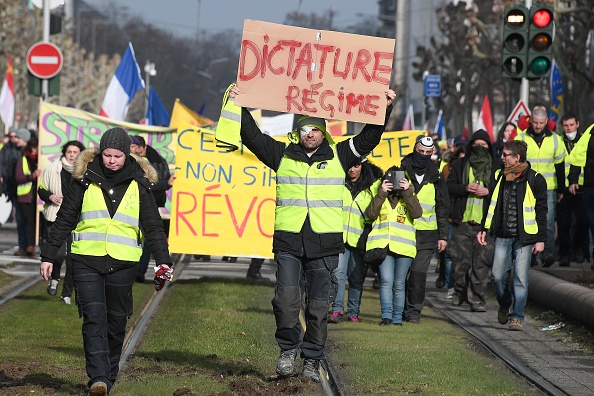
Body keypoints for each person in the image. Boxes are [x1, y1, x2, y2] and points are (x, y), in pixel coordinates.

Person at [227, 85, 395, 382]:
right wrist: (237, 105)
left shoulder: (341, 154)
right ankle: (288, 350)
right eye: (304, 129)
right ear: (298, 131)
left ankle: (311, 359)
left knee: (318, 307)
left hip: (325, 243)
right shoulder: (281, 154)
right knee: (285, 301)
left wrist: (384, 108)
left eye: (314, 129)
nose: (310, 134)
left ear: (323, 131)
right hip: (289, 242)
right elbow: (251, 137)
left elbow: (370, 137)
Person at [39, 127, 172, 396]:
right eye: (108, 155)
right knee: (93, 318)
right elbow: (65, 217)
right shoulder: (84, 179)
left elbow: (153, 226)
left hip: (123, 263)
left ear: (127, 155)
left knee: (115, 322)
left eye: (117, 156)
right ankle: (98, 378)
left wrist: (163, 261)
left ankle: (109, 373)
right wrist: (49, 255)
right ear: (101, 153)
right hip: (86, 259)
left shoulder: (140, 183)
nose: (111, 161)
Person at [477, 140, 547, 331]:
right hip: (502, 234)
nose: (502, 157)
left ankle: (517, 316)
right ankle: (504, 302)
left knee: (521, 279)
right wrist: (484, 228)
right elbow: (492, 203)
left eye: (505, 154)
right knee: (498, 276)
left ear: (517, 157)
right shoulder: (500, 176)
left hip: (525, 238)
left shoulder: (535, 179)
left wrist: (541, 239)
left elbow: (541, 211)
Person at [447, 129, 500, 312]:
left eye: (483, 145)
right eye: (476, 144)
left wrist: (488, 191)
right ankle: (459, 292)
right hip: (463, 223)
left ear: (489, 147)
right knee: (459, 261)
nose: (479, 148)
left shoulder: (496, 166)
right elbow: (449, 187)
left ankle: (477, 300)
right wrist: (464, 188)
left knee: (481, 264)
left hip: (485, 226)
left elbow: (503, 191)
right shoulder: (461, 164)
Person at [327, 157, 383, 324]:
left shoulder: (371, 187)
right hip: (340, 239)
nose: (352, 169)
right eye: (349, 165)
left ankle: (353, 312)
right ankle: (337, 310)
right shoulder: (338, 183)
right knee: (337, 275)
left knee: (356, 277)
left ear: (362, 166)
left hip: (360, 241)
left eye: (356, 165)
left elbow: (374, 212)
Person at [365, 166, 423, 326]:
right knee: (386, 280)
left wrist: (407, 192)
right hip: (384, 246)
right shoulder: (379, 193)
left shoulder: (409, 193)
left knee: (399, 283)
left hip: (404, 247)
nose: (394, 182)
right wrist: (382, 192)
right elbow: (370, 214)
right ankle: (386, 316)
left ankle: (397, 318)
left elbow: (417, 213)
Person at [402, 136, 449, 323]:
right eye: (420, 151)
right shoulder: (401, 170)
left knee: (418, 275)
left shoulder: (436, 177)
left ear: (432, 154)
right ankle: (399, 310)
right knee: (401, 276)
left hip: (427, 235)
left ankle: (413, 312)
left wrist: (443, 236)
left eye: (427, 153)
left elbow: (442, 207)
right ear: (414, 149)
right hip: (403, 231)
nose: (422, 156)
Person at [514, 104, 566, 267]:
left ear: (546, 122)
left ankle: (547, 253)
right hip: (525, 185)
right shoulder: (521, 138)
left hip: (548, 187)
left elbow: (560, 166)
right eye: (535, 122)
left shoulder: (556, 140)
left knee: (547, 222)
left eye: (541, 123)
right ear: (531, 121)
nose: (538, 126)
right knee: (526, 220)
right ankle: (528, 256)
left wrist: (561, 189)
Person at [38, 140, 85, 303]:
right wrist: (50, 196)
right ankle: (55, 278)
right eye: (69, 152)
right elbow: (41, 189)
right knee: (57, 255)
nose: (72, 155)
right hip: (55, 216)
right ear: (64, 153)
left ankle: (66, 293)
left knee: (73, 259)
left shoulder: (86, 172)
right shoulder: (52, 169)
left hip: (77, 220)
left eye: (75, 152)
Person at [129, 135, 174, 282]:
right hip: (131, 209)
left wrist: (166, 184)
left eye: (133, 147)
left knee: (148, 239)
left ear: (142, 148)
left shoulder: (149, 163)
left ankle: (141, 271)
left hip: (149, 205)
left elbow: (150, 184)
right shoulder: (121, 164)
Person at [557, 113, 589, 266]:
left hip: (582, 185)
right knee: (564, 222)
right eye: (566, 125)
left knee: (583, 220)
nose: (569, 128)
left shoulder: (585, 140)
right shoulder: (558, 141)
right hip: (563, 187)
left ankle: (579, 248)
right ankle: (564, 253)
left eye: (571, 125)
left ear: (577, 124)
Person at [568, 123, 594, 269]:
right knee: (590, 222)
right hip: (590, 185)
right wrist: (573, 179)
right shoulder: (591, 131)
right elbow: (577, 157)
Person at [0, 128, 29, 255]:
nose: (14, 139)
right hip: (12, 187)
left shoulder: (23, 151)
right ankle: (23, 245)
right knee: (20, 219)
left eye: (16, 136)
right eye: (12, 136)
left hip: (25, 189)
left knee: (25, 220)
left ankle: (28, 245)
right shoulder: (6, 149)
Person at [15, 133, 41, 257]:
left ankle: (36, 244)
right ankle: (29, 246)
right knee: (28, 222)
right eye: (34, 148)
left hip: (39, 196)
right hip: (26, 196)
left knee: (38, 222)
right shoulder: (23, 159)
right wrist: (32, 176)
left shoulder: (41, 158)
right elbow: (18, 177)